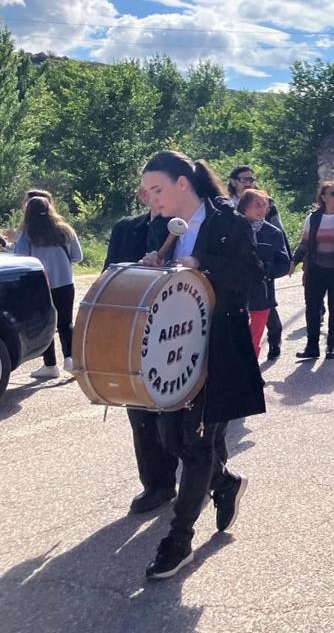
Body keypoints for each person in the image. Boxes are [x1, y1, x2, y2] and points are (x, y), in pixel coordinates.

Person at [138, 150, 265, 579]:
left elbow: (252, 277)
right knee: (169, 437)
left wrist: (204, 265)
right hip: (175, 349)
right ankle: (226, 483)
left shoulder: (228, 221)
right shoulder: (160, 227)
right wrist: (154, 266)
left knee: (195, 445)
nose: (151, 198)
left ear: (182, 184)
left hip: (219, 347)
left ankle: (179, 540)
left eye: (157, 189)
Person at [104, 187, 179, 514]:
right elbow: (109, 274)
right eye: (150, 188)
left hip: (177, 330)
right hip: (134, 329)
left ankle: (207, 475)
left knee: (177, 412)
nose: (154, 195)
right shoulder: (126, 228)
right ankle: (156, 484)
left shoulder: (188, 226)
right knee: (139, 407)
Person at [14, 194, 83, 378]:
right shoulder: (65, 230)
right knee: (66, 322)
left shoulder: (27, 233)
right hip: (65, 282)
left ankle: (50, 365)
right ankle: (71, 359)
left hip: (40, 286)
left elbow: (20, 257)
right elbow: (78, 256)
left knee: (46, 324)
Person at [292, 181, 334, 359]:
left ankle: (331, 346)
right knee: (312, 308)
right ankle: (312, 346)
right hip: (316, 270)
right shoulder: (313, 218)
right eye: (333, 194)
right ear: (323, 197)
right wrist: (294, 261)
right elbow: (305, 243)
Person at [227, 166, 290, 359]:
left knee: (254, 338)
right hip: (236, 294)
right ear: (244, 208)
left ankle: (252, 377)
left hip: (262, 295)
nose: (262, 210)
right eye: (257, 206)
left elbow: (283, 262)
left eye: (264, 206)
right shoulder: (232, 230)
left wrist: (266, 270)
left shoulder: (273, 233)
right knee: (237, 338)